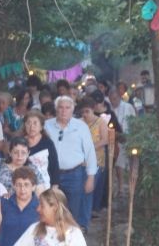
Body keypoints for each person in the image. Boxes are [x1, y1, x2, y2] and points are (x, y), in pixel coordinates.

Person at [44, 96, 97, 232]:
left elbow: (90, 152)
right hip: (51, 174)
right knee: (50, 208)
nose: (64, 111)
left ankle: (72, 238)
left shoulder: (81, 127)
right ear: (56, 109)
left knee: (73, 211)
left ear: (72, 110)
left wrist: (91, 177)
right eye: (61, 107)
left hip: (74, 174)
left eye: (67, 108)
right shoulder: (46, 125)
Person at [78, 97, 110, 215]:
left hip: (97, 159)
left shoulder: (101, 122)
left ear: (93, 110)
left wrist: (90, 148)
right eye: (83, 112)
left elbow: (105, 140)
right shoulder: (79, 123)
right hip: (82, 160)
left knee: (94, 185)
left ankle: (93, 209)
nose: (85, 114)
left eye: (87, 111)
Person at [108, 88, 136, 195]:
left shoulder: (128, 107)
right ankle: (117, 188)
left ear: (119, 97)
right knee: (116, 164)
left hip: (127, 137)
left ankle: (125, 187)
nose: (113, 101)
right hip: (114, 139)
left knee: (126, 164)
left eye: (115, 99)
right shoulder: (109, 109)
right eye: (111, 99)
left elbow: (134, 121)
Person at [23, 111, 59, 190]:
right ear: (25, 125)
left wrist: (55, 186)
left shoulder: (47, 143)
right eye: (28, 123)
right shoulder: (20, 142)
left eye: (35, 123)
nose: (31, 127)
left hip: (45, 186)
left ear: (41, 127)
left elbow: (54, 166)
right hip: (24, 187)